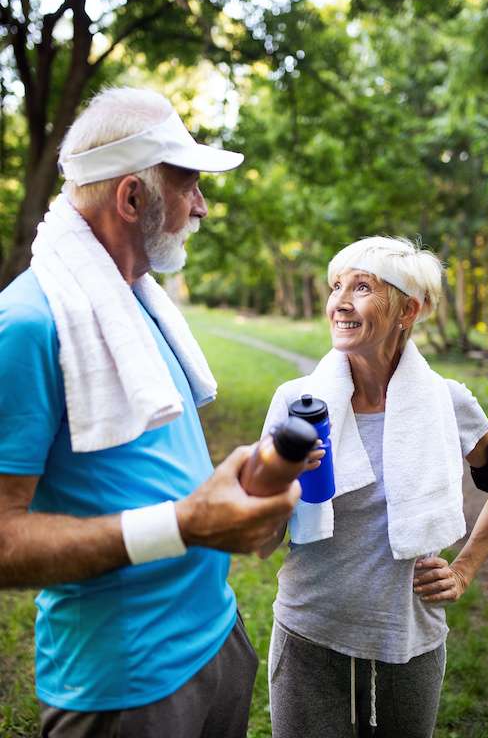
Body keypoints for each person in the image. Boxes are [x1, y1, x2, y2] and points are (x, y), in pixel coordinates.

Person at [0, 87, 301, 738]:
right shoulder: (28, 324)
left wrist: (242, 488)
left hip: (216, 637)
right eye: (188, 183)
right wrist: (184, 526)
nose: (201, 205)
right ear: (132, 197)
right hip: (125, 686)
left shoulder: (133, 297)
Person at [260, 236, 488, 738]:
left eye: (362, 287)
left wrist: (464, 571)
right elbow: (261, 537)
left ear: (409, 309)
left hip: (411, 641)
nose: (339, 301)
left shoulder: (451, 403)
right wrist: (278, 485)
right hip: (310, 634)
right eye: (336, 286)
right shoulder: (297, 403)